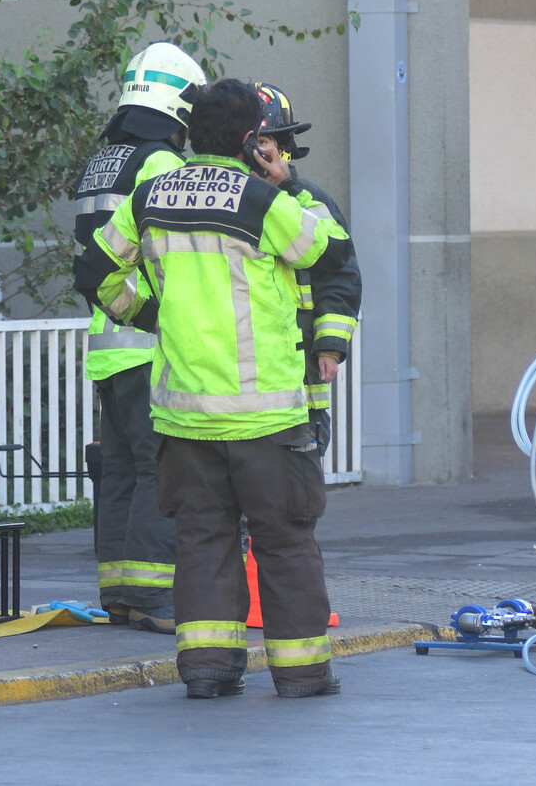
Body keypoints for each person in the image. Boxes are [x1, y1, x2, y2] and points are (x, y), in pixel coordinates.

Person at [73, 78, 350, 700]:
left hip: (182, 417)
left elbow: (94, 268)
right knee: (284, 543)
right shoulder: (258, 200)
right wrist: (284, 185)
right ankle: (302, 672)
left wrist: (142, 313)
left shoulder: (149, 195)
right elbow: (325, 250)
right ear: (253, 138)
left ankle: (206, 671)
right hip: (266, 418)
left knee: (202, 543)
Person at [72, 42, 205, 634]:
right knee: (161, 470)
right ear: (177, 104)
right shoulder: (161, 166)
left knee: (122, 468)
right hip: (151, 343)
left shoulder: (102, 162)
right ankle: (154, 599)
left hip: (108, 343)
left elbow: (95, 262)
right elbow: (176, 258)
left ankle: (120, 593)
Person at [249, 82, 361, 457]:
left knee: (296, 498)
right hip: (240, 388)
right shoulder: (227, 200)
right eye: (251, 140)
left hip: (300, 385)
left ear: (284, 147)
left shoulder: (308, 199)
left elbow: (340, 273)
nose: (258, 151)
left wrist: (329, 345)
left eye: (267, 141)